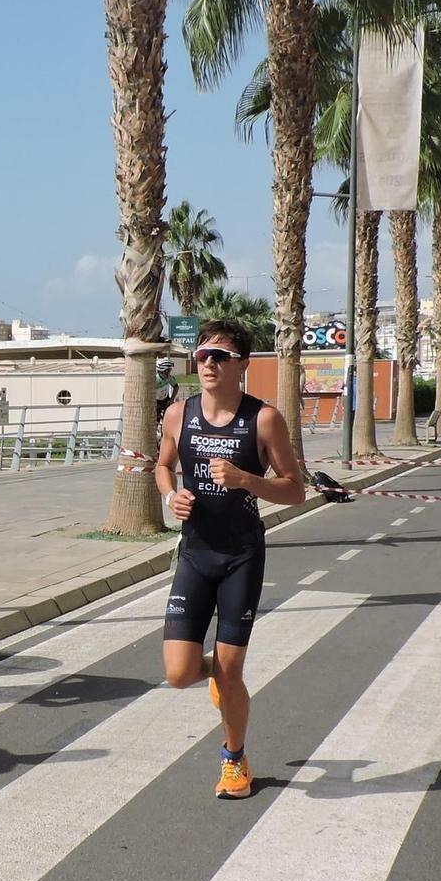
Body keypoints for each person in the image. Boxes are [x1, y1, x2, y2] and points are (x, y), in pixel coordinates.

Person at [153, 319, 306, 800]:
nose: (209, 364)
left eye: (220, 356)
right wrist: (170, 495)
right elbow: (162, 464)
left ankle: (235, 760)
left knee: (232, 671)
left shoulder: (263, 420)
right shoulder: (179, 414)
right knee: (178, 674)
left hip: (241, 556)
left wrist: (247, 481)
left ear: (242, 365)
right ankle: (218, 671)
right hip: (195, 554)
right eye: (202, 356)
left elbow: (296, 490)